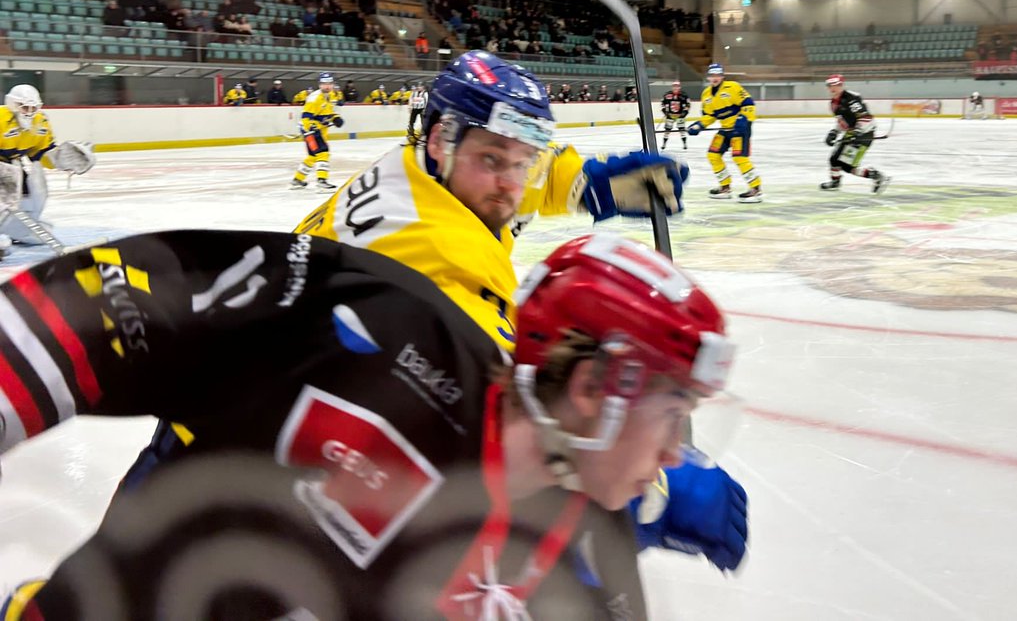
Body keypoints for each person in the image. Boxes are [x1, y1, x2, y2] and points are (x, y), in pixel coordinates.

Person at [0, 228, 734, 619]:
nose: (676, 452)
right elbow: (98, 315)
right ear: (594, 385)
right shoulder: (373, 327)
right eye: (672, 417)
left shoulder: (584, 554)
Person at [290, 51, 747, 574]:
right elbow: (504, 426)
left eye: (522, 160)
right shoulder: (437, 258)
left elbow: (516, 169)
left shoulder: (420, 169)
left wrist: (592, 183)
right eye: (492, 160)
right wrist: (653, 490)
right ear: (441, 139)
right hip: (278, 493)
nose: (512, 184)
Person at [0, 85, 95, 248]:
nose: (29, 111)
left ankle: (20, 229)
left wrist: (61, 158)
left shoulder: (40, 121)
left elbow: (41, 152)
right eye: (24, 107)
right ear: (13, 105)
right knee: (7, 191)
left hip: (13, 163)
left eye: (33, 107)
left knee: (32, 188)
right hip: (4, 165)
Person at [687, 63, 761, 203]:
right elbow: (709, 115)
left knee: (740, 158)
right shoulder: (706, 94)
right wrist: (698, 125)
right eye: (712, 75)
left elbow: (749, 104)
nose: (715, 78)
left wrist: (743, 119)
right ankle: (725, 187)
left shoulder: (733, 87)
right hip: (725, 129)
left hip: (740, 129)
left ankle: (756, 189)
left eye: (717, 75)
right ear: (708, 77)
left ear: (722, 76)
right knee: (713, 155)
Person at [821, 73, 889, 193]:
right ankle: (835, 182)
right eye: (830, 85)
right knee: (834, 159)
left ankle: (877, 176)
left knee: (848, 167)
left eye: (836, 85)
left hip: (864, 134)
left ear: (842, 85)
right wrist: (834, 132)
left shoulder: (851, 98)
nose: (832, 88)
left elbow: (865, 117)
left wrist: (857, 132)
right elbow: (842, 121)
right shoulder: (833, 103)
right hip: (852, 133)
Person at [290, 72, 343, 190]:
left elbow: (328, 112)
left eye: (329, 83)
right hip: (311, 130)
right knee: (323, 152)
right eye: (324, 84)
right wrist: (312, 128)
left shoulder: (332, 95)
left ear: (333, 84)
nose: (327, 86)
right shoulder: (314, 98)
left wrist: (335, 118)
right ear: (319, 85)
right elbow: (305, 117)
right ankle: (322, 181)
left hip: (319, 130)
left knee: (313, 156)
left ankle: (297, 180)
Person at [660, 80, 691, 150]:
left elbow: (688, 104)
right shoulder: (667, 95)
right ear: (672, 87)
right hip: (670, 115)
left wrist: (685, 112)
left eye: (677, 86)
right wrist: (665, 111)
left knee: (682, 130)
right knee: (667, 130)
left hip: (680, 115)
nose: (675, 88)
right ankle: (664, 144)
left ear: (680, 87)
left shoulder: (684, 95)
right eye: (674, 86)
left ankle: (685, 144)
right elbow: (662, 103)